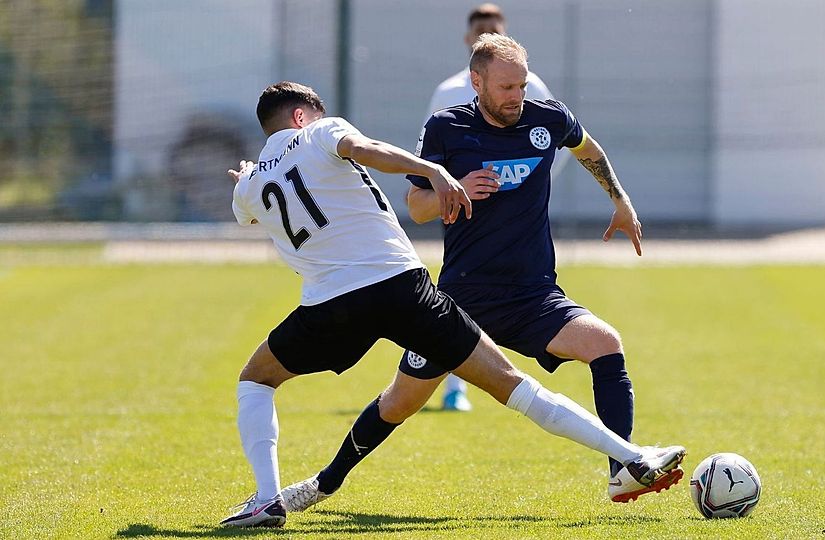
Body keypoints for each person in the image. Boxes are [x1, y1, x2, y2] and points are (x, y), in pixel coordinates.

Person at [220, 81, 685, 528]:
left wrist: (247, 177)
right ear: (302, 116)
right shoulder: (320, 132)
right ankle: (634, 457)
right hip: (400, 287)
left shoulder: (252, 183)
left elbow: (246, 208)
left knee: (256, 379)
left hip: (328, 304)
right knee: (509, 385)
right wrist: (433, 171)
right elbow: (365, 150)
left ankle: (266, 499)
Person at [427, 2, 570, 412]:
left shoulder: (534, 87)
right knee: (462, 291)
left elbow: (555, 143)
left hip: (517, 216)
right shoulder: (448, 93)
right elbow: (426, 165)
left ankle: (463, 372)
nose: (515, 95)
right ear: (470, 39)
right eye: (479, 28)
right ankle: (453, 381)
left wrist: (525, 183)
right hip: (465, 209)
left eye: (493, 26)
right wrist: (452, 189)